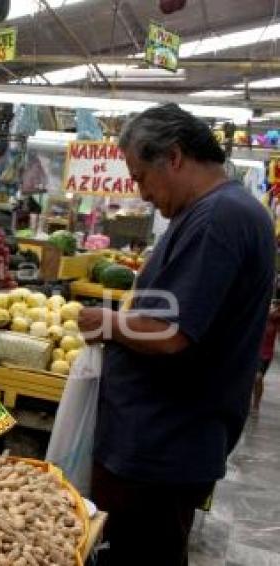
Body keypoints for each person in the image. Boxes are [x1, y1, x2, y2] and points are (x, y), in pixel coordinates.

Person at [77, 104, 275, 566]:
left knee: (140, 554)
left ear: (175, 157)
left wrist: (105, 323)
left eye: (141, 176)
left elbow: (171, 334)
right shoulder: (223, 211)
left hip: (159, 447)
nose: (143, 193)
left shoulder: (218, 218)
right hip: (164, 442)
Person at [254, 300, 280, 412]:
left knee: (258, 377)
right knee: (251, 379)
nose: (273, 308)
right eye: (273, 305)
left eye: (276, 306)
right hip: (254, 351)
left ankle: (256, 404)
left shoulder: (277, 320)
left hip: (266, 354)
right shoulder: (261, 314)